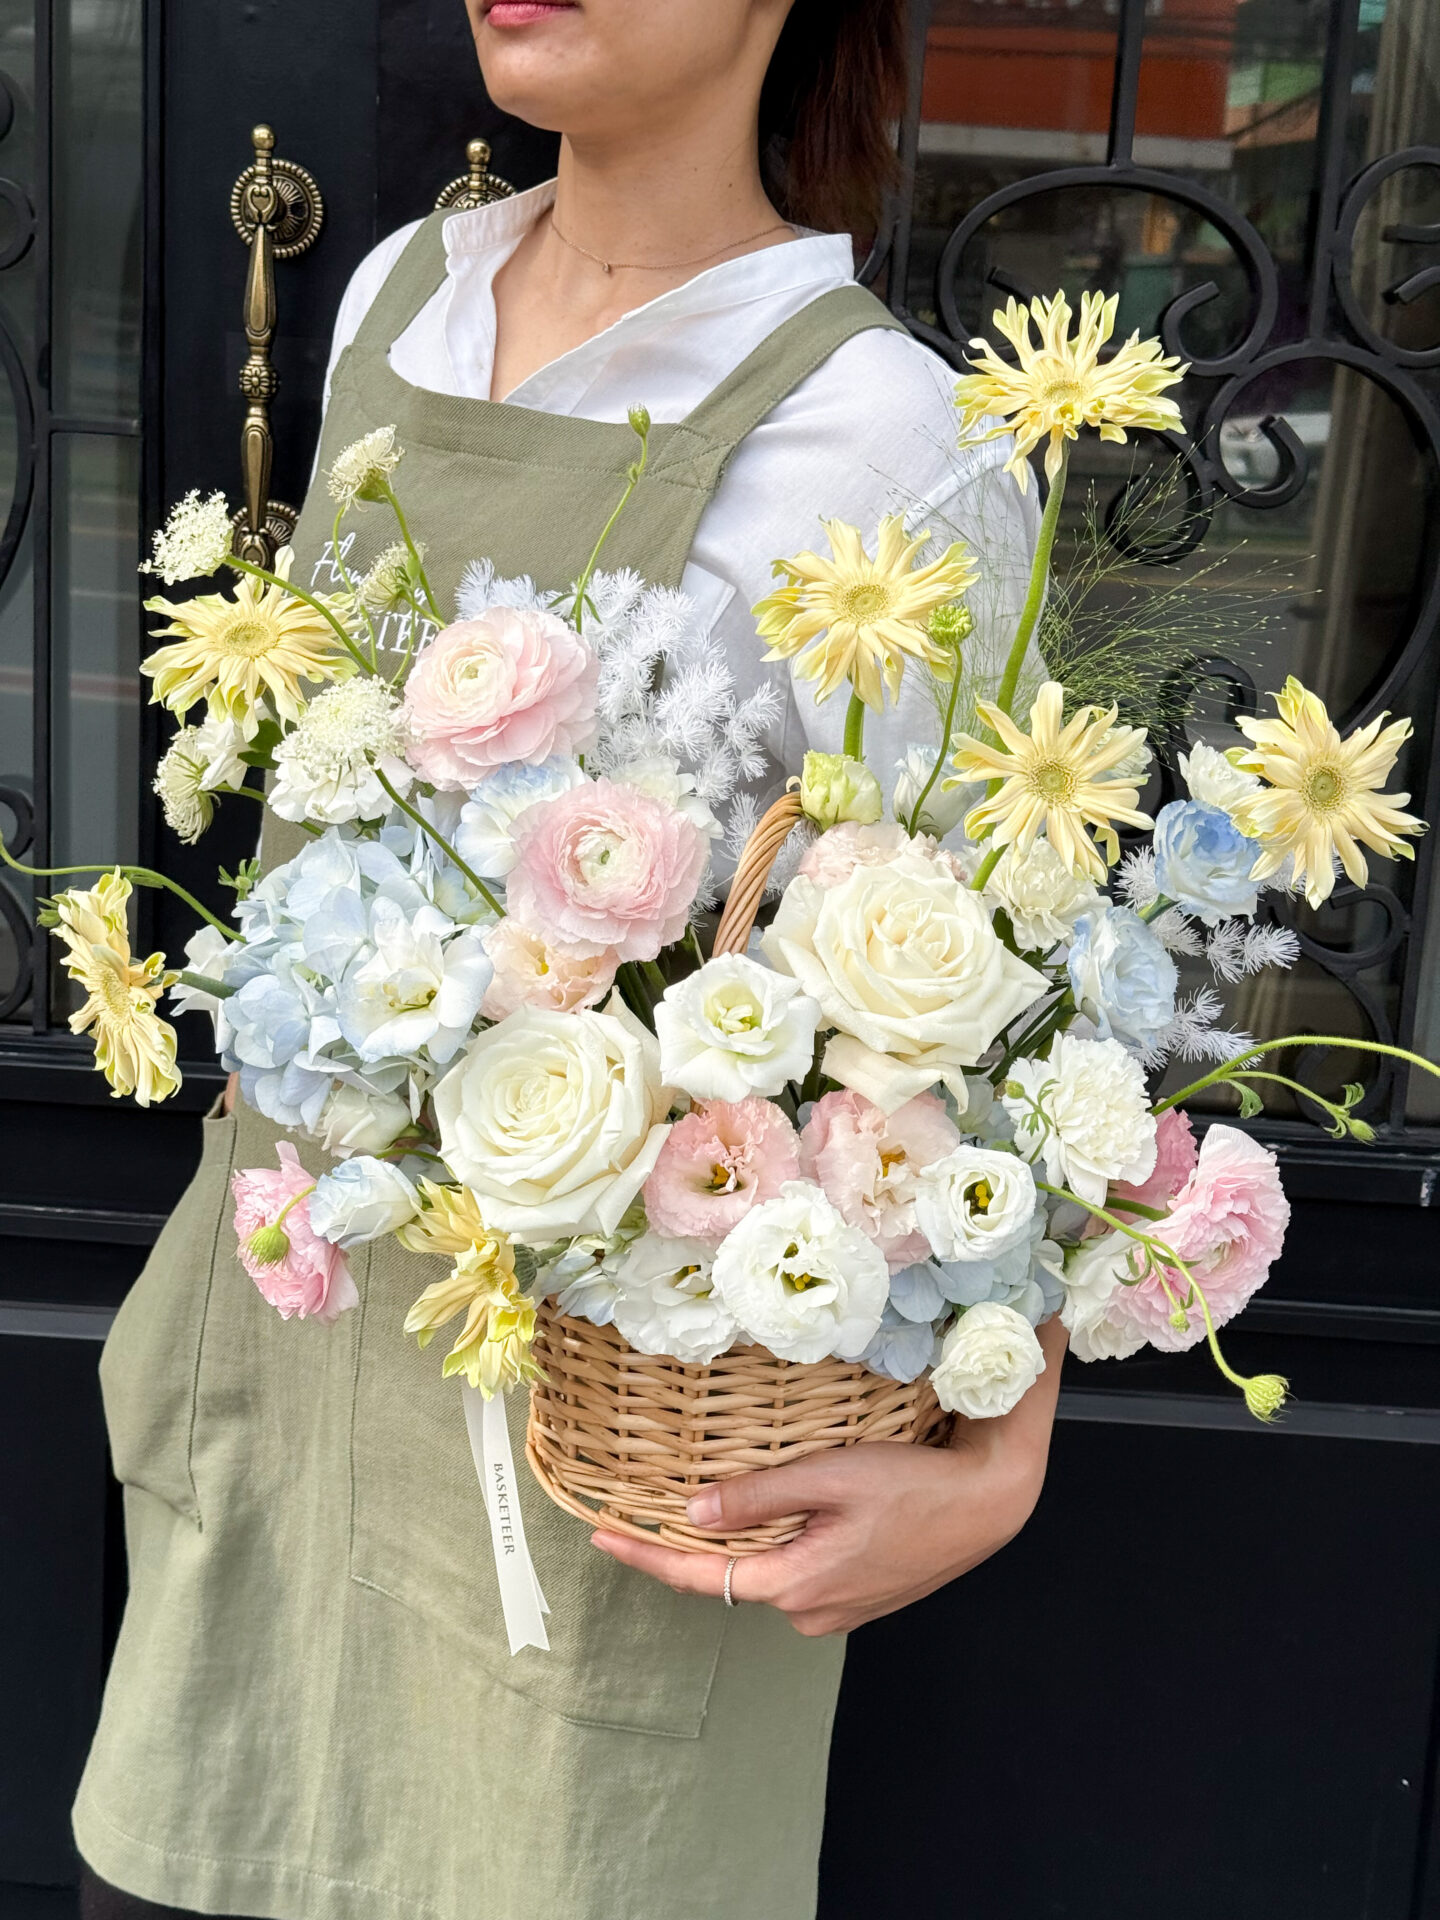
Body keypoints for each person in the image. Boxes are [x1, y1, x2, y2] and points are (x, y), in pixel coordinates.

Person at [74, 5, 1066, 1918]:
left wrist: (1000, 1454)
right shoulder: (393, 298)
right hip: (280, 1387)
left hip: (611, 1457)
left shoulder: (887, 441)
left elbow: (972, 1023)